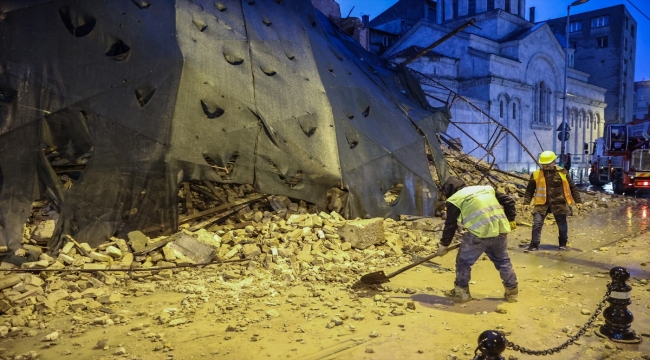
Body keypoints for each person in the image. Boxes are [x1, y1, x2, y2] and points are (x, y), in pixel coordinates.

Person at [436, 177, 519, 303]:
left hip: (478, 235)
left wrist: (444, 245)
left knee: (463, 262)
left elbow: (450, 225)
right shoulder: (486, 189)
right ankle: (512, 292)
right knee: (502, 261)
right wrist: (511, 219)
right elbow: (509, 201)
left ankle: (461, 293)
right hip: (500, 231)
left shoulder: (455, 199)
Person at [523, 150, 583, 252]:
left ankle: (562, 244)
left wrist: (578, 201)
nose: (545, 166)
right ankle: (534, 245)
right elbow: (529, 190)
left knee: (562, 225)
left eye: (548, 164)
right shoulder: (536, 174)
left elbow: (573, 187)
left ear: (554, 162)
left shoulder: (562, 173)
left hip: (559, 202)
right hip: (542, 203)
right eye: (543, 164)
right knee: (537, 224)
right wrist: (526, 202)